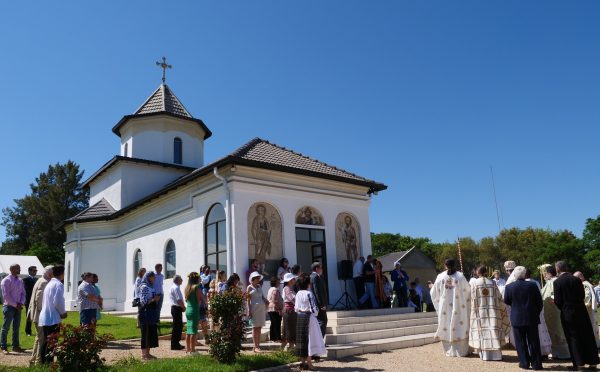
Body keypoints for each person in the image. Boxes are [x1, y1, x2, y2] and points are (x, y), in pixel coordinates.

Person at [554, 260, 599, 370]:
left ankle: (579, 364)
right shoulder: (577, 280)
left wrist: (564, 308)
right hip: (581, 311)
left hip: (568, 312)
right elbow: (582, 295)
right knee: (587, 336)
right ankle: (593, 362)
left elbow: (558, 301)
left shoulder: (558, 282)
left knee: (573, 337)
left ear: (558, 269)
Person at [504, 266, 543, 370]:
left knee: (520, 342)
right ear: (525, 274)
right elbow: (539, 302)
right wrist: (535, 312)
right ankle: (537, 364)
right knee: (534, 341)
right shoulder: (533, 285)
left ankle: (524, 363)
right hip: (531, 317)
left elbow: (506, 301)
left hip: (517, 317)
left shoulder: (509, 287)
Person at [430, 258, 471, 357]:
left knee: (446, 325)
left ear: (445, 265)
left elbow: (434, 293)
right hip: (459, 308)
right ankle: (461, 351)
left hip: (445, 309)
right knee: (459, 326)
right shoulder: (460, 276)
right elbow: (468, 292)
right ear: (455, 264)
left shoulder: (440, 277)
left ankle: (449, 351)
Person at [469, 265, 510, 361]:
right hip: (493, 313)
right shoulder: (492, 282)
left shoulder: (475, 283)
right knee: (493, 332)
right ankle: (497, 356)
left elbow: (471, 299)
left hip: (480, 313)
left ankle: (485, 355)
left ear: (478, 273)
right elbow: (499, 298)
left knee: (482, 333)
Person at [295, 274, 326, 370]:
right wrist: (316, 313)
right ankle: (309, 363)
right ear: (308, 284)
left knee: (301, 339)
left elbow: (296, 308)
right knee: (309, 340)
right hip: (309, 318)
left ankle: (302, 362)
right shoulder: (309, 293)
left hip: (300, 317)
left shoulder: (298, 293)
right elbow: (314, 309)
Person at [540, 264, 570, 360]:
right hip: (551, 312)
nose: (544, 276)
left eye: (545, 274)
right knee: (553, 331)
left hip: (555, 311)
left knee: (558, 330)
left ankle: (563, 354)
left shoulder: (554, 282)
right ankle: (555, 353)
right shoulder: (551, 282)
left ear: (549, 273)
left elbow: (553, 295)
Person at [38, 266, 67, 364]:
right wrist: (63, 312)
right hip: (53, 317)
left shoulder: (50, 283)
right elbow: (58, 301)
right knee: (52, 342)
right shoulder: (58, 284)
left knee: (46, 341)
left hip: (46, 316)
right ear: (62, 273)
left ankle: (43, 363)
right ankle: (49, 364)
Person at [27, 265, 52, 366]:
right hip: (40, 315)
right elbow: (39, 300)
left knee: (39, 338)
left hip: (37, 314)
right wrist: (45, 312)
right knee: (41, 339)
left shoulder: (40, 280)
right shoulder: (44, 282)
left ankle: (33, 361)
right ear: (49, 273)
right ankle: (38, 362)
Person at [524, 268, 552, 357]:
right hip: (538, 309)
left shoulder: (525, 283)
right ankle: (544, 352)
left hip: (529, 310)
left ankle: (533, 352)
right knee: (541, 329)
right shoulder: (536, 282)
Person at [0, 263, 26, 354]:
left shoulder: (20, 280)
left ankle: (15, 346)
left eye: (19, 267)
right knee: (5, 327)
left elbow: (23, 293)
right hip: (9, 306)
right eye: (18, 268)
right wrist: (16, 305)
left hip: (18, 307)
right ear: (12, 269)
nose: (20, 269)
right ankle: (3, 347)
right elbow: (6, 296)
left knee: (16, 327)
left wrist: (21, 303)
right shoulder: (6, 280)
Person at [573, 271, 600, 348]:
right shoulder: (587, 284)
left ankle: (593, 345)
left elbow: (587, 300)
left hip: (587, 311)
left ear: (580, 277)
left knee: (590, 328)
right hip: (590, 310)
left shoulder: (585, 285)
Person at [138, 271, 161, 360]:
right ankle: (144, 355)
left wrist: (156, 299)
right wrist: (154, 299)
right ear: (148, 277)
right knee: (145, 333)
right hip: (145, 312)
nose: (154, 279)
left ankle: (148, 353)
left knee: (151, 333)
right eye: (153, 277)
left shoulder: (151, 287)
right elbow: (143, 301)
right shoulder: (144, 287)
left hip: (151, 312)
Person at [248, 271, 267, 353]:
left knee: (259, 327)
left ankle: (258, 345)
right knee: (255, 327)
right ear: (253, 279)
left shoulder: (259, 286)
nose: (258, 280)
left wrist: (266, 301)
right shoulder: (249, 287)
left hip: (261, 309)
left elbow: (262, 296)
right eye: (257, 278)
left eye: (258, 278)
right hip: (254, 309)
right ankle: (255, 346)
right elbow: (248, 300)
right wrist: (249, 310)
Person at [184, 272, 202, 354]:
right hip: (194, 309)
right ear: (196, 279)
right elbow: (198, 300)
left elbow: (186, 299)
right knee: (194, 330)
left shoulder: (187, 288)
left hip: (188, 310)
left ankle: (188, 349)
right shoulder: (196, 287)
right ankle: (193, 350)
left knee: (188, 330)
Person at [310, 262, 328, 338]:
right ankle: (320, 341)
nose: (322, 269)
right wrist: (322, 304)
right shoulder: (315, 277)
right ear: (317, 268)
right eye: (320, 267)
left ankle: (319, 342)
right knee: (323, 321)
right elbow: (317, 292)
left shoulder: (317, 276)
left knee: (321, 321)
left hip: (318, 304)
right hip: (319, 304)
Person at [169, 275, 185, 350]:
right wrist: (183, 307)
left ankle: (176, 343)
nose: (182, 280)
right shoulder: (176, 288)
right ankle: (175, 344)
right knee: (177, 327)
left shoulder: (174, 287)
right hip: (176, 308)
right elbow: (179, 300)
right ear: (178, 280)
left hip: (175, 308)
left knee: (178, 326)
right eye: (181, 279)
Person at [282, 273, 297, 351]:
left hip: (292, 311)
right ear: (290, 280)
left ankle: (290, 349)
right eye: (293, 279)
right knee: (289, 330)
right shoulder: (287, 288)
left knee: (291, 329)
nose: (295, 280)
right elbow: (292, 299)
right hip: (289, 311)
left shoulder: (290, 288)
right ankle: (290, 349)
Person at [267, 277, 283, 343]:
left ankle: (272, 338)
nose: (279, 282)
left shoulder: (270, 289)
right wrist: (279, 309)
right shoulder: (275, 290)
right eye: (278, 281)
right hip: (275, 309)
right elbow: (275, 300)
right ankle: (277, 338)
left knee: (273, 323)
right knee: (277, 323)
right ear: (275, 282)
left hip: (270, 308)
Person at [23, 266, 37, 337]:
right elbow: (27, 291)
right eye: (34, 271)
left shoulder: (37, 279)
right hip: (29, 301)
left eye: (36, 271)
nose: (35, 272)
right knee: (29, 316)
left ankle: (37, 330)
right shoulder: (25, 279)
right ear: (29, 271)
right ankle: (28, 331)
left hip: (36, 300)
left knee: (36, 316)